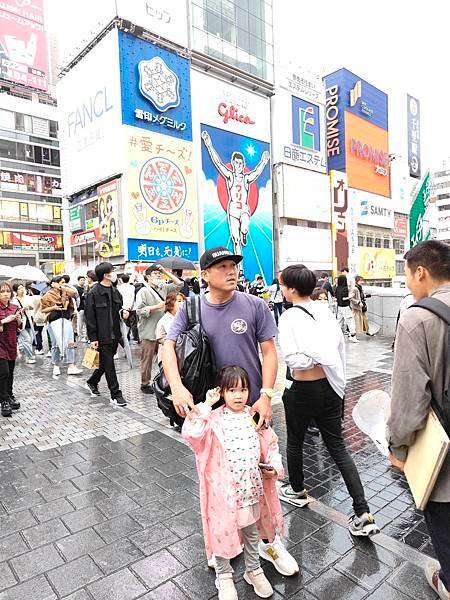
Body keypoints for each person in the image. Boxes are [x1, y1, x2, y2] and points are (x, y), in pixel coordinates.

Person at [163, 246, 298, 577]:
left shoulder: (254, 305)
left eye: (233, 265)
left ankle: (268, 541)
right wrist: (178, 387)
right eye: (221, 266)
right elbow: (168, 345)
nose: (231, 271)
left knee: (263, 476)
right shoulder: (192, 308)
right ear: (205, 274)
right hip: (212, 415)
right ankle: (222, 545)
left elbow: (269, 352)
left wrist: (266, 395)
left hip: (250, 408)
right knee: (216, 483)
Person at [277, 264, 380, 537]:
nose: (281, 289)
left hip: (302, 390)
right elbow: (336, 353)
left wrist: (311, 358)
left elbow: (293, 360)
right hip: (331, 388)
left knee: (295, 441)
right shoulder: (326, 312)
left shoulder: (288, 318)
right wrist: (323, 359)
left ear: (290, 288)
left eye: (283, 284)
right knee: (338, 448)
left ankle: (297, 489)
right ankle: (363, 511)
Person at [183, 365, 286, 599]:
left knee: (251, 534)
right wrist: (206, 406)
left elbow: (271, 444)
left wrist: (274, 467)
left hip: (252, 491)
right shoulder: (213, 420)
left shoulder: (254, 416)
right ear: (222, 392)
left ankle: (254, 570)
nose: (238, 396)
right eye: (232, 390)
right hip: (224, 497)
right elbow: (191, 432)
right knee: (223, 535)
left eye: (243, 389)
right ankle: (224, 575)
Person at [388, 241, 450, 600]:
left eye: (408, 275)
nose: (408, 284)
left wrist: (398, 448)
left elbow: (410, 400)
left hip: (443, 459)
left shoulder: (417, 317)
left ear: (421, 272)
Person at [201, 130, 270, 255]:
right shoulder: (230, 176)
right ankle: (240, 268)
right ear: (233, 163)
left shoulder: (246, 178)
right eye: (236, 163)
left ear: (243, 164)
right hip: (232, 210)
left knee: (243, 228)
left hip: (243, 209)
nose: (238, 165)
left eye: (240, 163)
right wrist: (209, 144)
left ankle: (245, 233)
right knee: (235, 240)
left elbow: (257, 172)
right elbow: (218, 163)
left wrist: (264, 161)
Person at [84, 262, 129, 406]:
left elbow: (120, 309)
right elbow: (90, 317)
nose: (114, 273)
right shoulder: (94, 293)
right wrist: (93, 338)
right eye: (112, 271)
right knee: (109, 364)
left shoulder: (116, 292)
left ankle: (92, 382)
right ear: (105, 275)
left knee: (105, 363)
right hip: (102, 336)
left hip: (115, 334)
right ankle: (115, 394)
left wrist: (125, 313)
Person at [136, 264, 183, 394]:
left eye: (159, 273)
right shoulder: (143, 291)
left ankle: (163, 380)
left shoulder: (164, 288)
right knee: (148, 358)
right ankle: (145, 383)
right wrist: (156, 307)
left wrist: (166, 271)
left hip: (164, 330)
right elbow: (139, 311)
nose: (159, 275)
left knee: (165, 356)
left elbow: (179, 284)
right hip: (149, 330)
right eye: (155, 274)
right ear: (148, 277)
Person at [40, 277, 82, 376]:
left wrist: (61, 287)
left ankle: (71, 365)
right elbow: (43, 309)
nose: (64, 284)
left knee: (70, 342)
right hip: (54, 321)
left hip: (66, 320)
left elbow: (74, 293)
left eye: (63, 283)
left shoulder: (65, 291)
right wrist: (53, 307)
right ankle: (56, 365)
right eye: (61, 282)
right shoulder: (47, 295)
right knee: (55, 344)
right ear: (54, 284)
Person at [0, 282, 22, 417]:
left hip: (11, 343)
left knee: (10, 373)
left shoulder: (15, 307)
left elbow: (20, 328)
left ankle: (9, 395)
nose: (6, 294)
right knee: (4, 372)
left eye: (8, 291)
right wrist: (3, 321)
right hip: (0, 345)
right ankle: (4, 401)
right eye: (2, 292)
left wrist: (19, 320)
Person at [155, 292, 185, 363]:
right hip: (169, 357)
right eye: (179, 301)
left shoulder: (180, 317)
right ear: (171, 304)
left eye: (183, 301)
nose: (183, 303)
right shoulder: (166, 320)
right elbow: (161, 338)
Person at [12, 282, 36, 364]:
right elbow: (13, 311)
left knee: (31, 338)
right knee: (27, 339)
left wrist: (28, 307)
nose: (22, 290)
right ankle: (30, 357)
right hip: (21, 322)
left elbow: (32, 307)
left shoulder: (28, 298)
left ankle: (20, 347)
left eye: (22, 288)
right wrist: (21, 310)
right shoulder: (14, 300)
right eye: (19, 288)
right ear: (16, 291)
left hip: (29, 319)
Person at [335, 274, 358, 343]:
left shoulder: (337, 288)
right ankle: (353, 336)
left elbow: (336, 297)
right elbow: (344, 298)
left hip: (339, 306)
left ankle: (336, 335)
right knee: (350, 320)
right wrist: (351, 296)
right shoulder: (345, 288)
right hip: (345, 306)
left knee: (339, 321)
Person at [118, 274, 138, 342]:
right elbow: (132, 297)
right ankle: (135, 338)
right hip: (132, 308)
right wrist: (130, 306)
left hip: (123, 308)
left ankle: (127, 337)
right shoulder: (132, 287)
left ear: (121, 280)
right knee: (133, 323)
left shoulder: (119, 287)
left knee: (125, 323)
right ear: (129, 279)